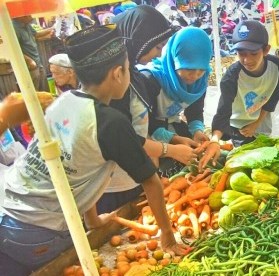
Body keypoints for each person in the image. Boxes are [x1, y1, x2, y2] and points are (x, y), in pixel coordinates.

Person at [0, 24, 189, 275]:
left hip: (7, 205)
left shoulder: (65, 100)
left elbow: (82, 168)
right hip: (35, 229)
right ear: (117, 73)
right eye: (127, 69)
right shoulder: (109, 122)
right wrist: (168, 236)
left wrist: (93, 221)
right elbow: (151, 182)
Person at [97, 5, 196, 214]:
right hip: (110, 186)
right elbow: (124, 140)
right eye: (158, 46)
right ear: (140, 41)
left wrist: (174, 142)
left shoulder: (134, 76)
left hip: (135, 179)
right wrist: (172, 150)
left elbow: (143, 127)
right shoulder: (112, 83)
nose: (159, 53)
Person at [199, 20, 279, 170]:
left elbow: (273, 98)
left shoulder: (276, 67)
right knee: (249, 166)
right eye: (241, 54)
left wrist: (257, 123)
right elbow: (223, 111)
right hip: (239, 126)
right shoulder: (232, 77)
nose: (247, 60)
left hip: (262, 119)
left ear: (266, 50)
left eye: (253, 53)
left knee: (268, 164)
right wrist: (214, 140)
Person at [140, 26, 212, 177]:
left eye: (201, 70)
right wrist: (174, 140)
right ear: (174, 60)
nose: (195, 76)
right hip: (147, 134)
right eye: (189, 69)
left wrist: (197, 130)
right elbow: (145, 123)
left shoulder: (200, 82)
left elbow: (195, 111)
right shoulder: (150, 79)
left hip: (172, 125)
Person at [12, 15, 54, 91]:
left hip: (38, 63)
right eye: (28, 15)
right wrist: (29, 61)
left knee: (44, 91)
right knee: (34, 92)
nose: (31, 17)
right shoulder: (14, 28)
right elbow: (13, 49)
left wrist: (51, 29)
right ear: (21, 16)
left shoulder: (26, 25)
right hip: (29, 67)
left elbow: (36, 34)